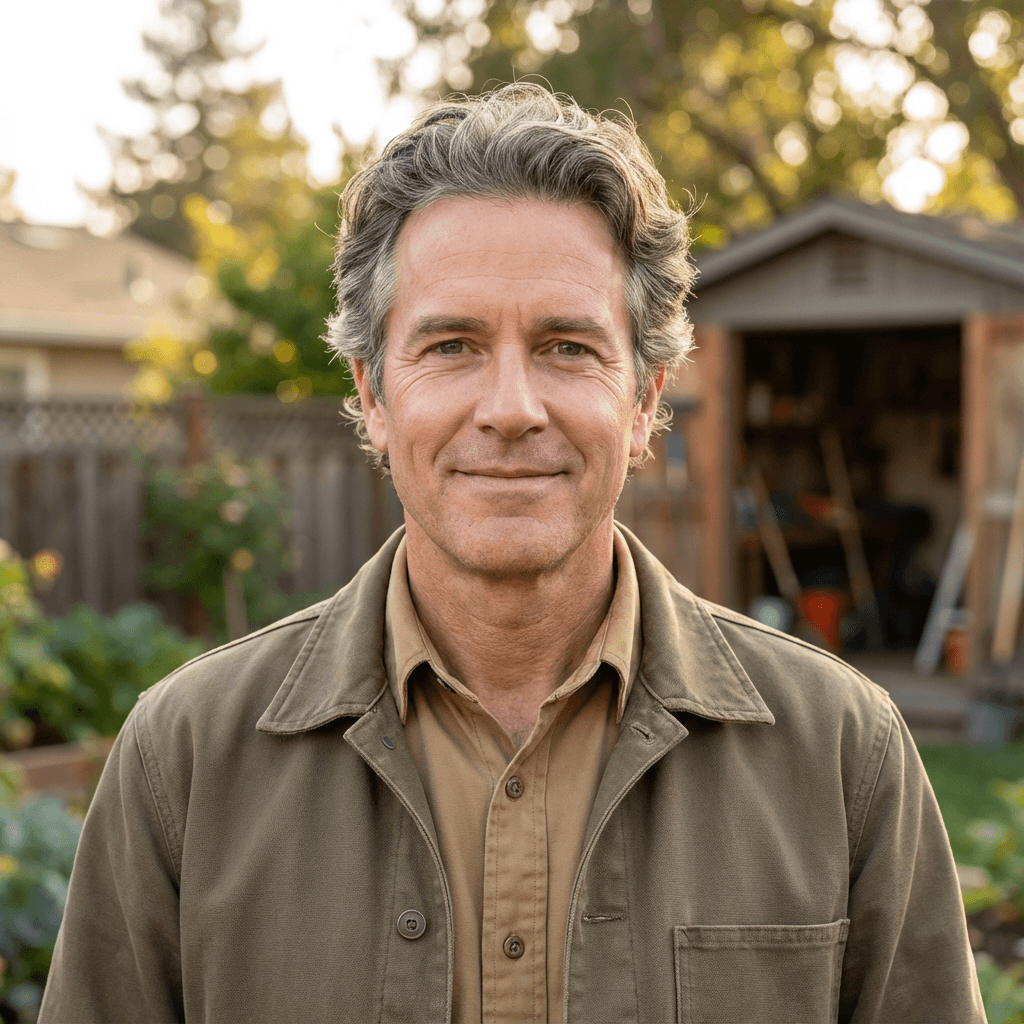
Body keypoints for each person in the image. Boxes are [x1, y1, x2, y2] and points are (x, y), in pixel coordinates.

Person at [39, 84, 984, 1024]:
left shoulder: (841, 756)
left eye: (567, 347)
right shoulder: (185, 763)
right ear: (373, 394)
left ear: (645, 399)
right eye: (452, 345)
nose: (510, 409)